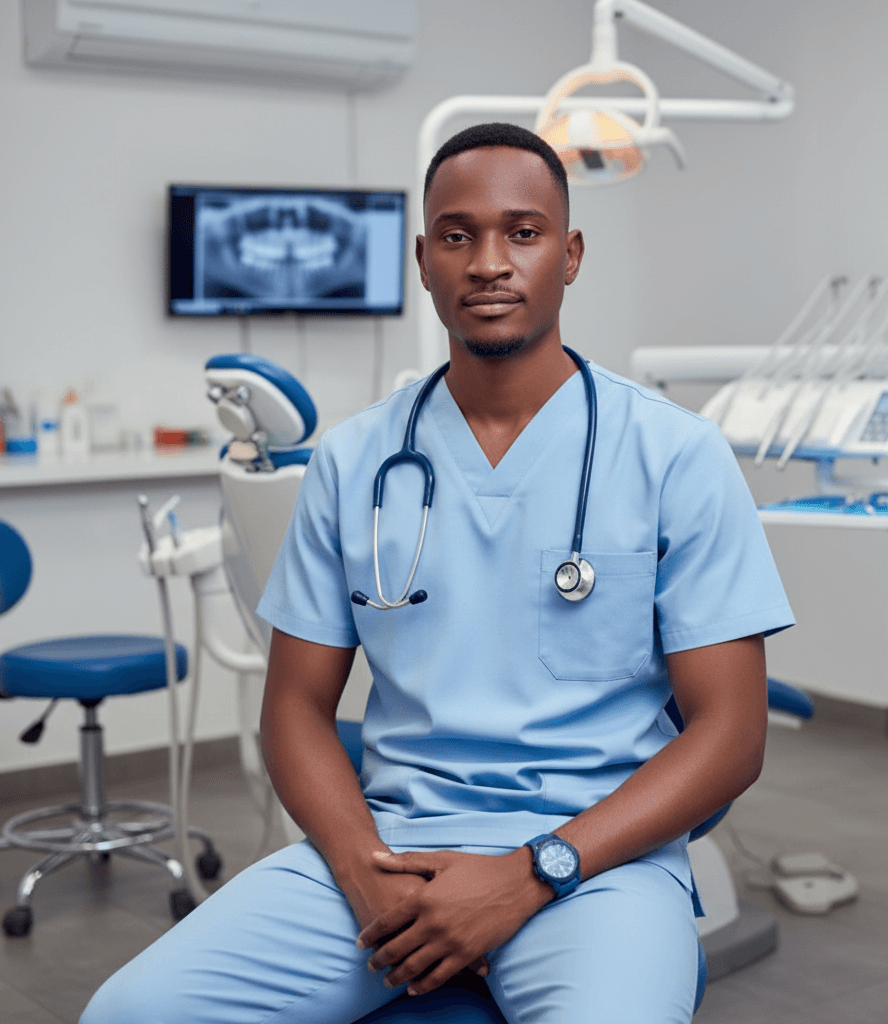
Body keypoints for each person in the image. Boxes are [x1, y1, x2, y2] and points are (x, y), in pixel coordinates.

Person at [81, 122, 794, 1024]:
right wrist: (363, 872)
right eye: (457, 236)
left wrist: (532, 873)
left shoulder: (675, 456)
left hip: (594, 865)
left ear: (571, 255)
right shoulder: (353, 462)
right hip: (391, 850)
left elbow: (731, 735)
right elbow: (295, 708)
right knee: (129, 1011)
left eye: (523, 233)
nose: (489, 263)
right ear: (423, 261)